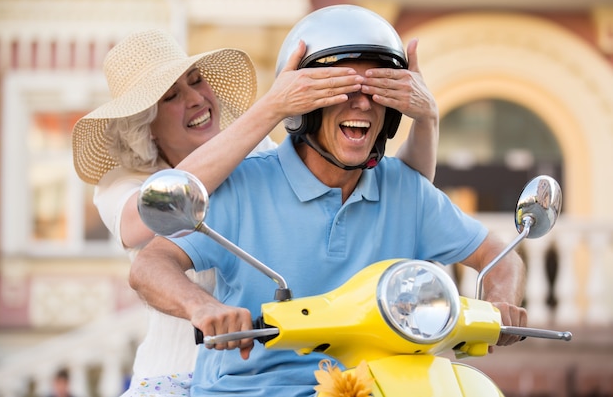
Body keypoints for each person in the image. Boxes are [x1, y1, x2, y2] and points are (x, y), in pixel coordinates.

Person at [129, 4, 527, 397]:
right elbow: (151, 263)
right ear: (304, 106)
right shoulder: (244, 182)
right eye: (340, 88)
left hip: (377, 389)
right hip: (252, 390)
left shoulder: (408, 190)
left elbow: (499, 253)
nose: (363, 103)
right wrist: (202, 307)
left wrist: (500, 301)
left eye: (379, 90)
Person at [71, 23, 439, 395]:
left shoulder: (256, 150)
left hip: (268, 376)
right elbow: (148, 216)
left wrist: (427, 119)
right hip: (175, 375)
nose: (196, 98)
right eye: (171, 96)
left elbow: (405, 193)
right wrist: (273, 107)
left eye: (196, 81)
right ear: (145, 126)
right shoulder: (121, 183)